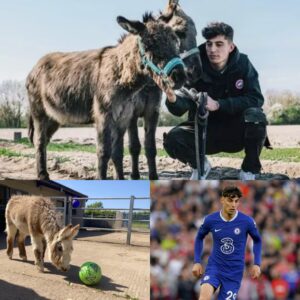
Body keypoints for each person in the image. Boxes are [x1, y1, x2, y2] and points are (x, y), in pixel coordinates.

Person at [156, 22, 269, 180]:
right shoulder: (195, 66)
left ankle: (249, 170)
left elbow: (255, 99)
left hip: (234, 131)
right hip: (203, 132)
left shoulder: (243, 64)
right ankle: (200, 165)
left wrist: (218, 105)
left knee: (256, 117)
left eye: (219, 44)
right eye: (209, 44)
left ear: (230, 47)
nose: (212, 49)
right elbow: (182, 107)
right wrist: (171, 96)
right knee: (172, 140)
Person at [192, 186, 262, 300]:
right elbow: (199, 237)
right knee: (204, 297)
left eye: (236, 201)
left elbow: (257, 240)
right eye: (230, 200)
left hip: (234, 272)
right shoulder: (211, 220)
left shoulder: (247, 221)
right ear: (222, 200)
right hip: (215, 267)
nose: (233, 205)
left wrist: (257, 264)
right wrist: (196, 261)